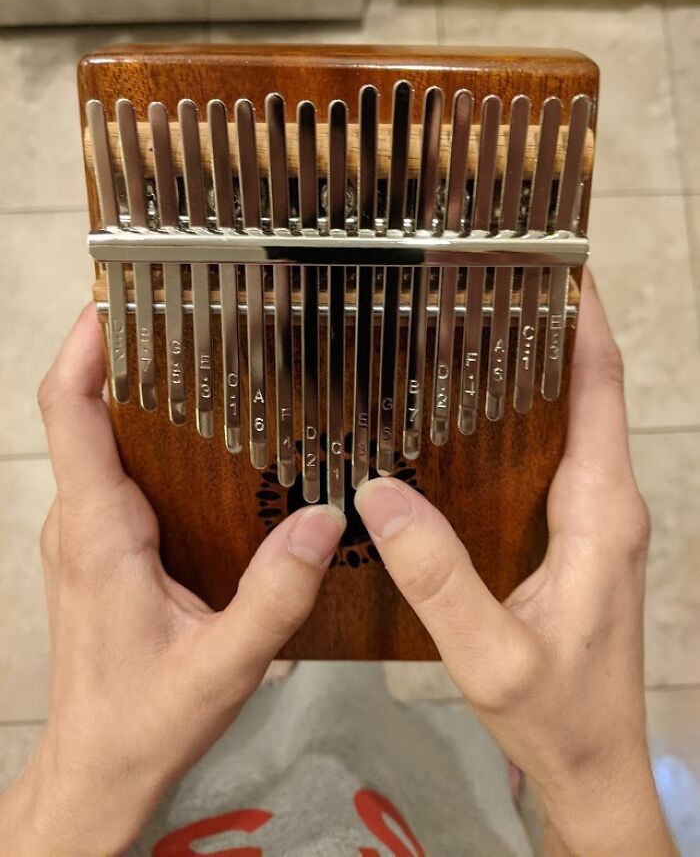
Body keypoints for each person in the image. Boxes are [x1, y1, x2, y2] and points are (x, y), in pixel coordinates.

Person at [0, 272, 677, 856]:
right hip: (435, 810)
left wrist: (64, 805)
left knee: (319, 683)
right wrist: (591, 790)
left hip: (198, 782)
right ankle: (472, 761)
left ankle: (299, 667)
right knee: (399, 734)